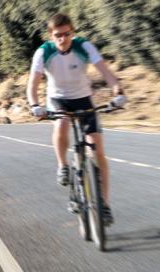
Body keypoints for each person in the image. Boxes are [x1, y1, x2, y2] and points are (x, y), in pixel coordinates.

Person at [26, 13, 125, 224]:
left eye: (67, 34)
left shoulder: (84, 46)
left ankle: (104, 205)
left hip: (83, 99)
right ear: (51, 36)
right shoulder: (43, 52)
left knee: (97, 151)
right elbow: (33, 84)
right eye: (58, 35)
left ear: (73, 32)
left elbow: (106, 72)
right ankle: (63, 165)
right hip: (58, 99)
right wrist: (35, 105)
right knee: (61, 124)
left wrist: (118, 91)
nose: (63, 39)